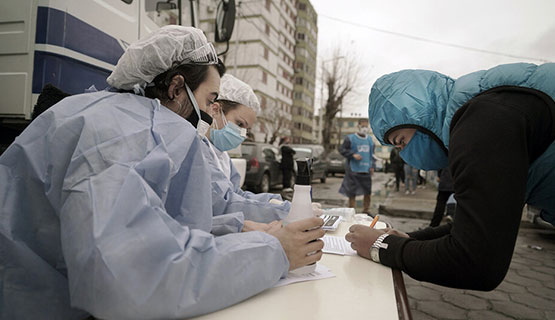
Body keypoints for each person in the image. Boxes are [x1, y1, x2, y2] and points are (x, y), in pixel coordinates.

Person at [0, 26, 325, 320]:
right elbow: (130, 277)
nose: (211, 117)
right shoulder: (120, 137)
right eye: (210, 100)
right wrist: (274, 251)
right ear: (175, 88)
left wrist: (238, 229)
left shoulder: (119, 119)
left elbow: (156, 223)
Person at [346, 62, 555, 290]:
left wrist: (380, 246)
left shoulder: (480, 126)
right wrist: (407, 238)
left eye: (401, 142)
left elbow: (475, 261)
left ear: (422, 118)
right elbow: (475, 224)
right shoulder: (486, 111)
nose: (405, 155)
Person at [203, 74, 292, 227]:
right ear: (215, 109)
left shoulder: (222, 156)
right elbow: (226, 204)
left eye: (246, 129)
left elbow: (237, 195)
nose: (242, 134)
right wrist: (286, 211)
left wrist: (275, 202)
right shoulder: (199, 149)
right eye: (240, 123)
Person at [339, 118, 375, 214]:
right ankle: (352, 210)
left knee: (367, 192)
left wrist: (372, 167)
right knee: (352, 192)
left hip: (366, 169)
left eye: (366, 126)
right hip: (353, 169)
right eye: (363, 126)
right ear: (358, 126)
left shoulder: (370, 140)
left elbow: (372, 155)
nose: (364, 128)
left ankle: (366, 210)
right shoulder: (350, 138)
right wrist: (352, 154)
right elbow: (342, 150)